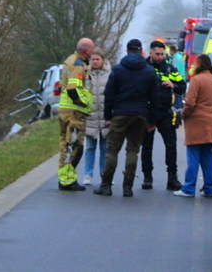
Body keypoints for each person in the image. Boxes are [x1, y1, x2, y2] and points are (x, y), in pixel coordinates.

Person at [94, 39, 158, 198]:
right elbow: (155, 98)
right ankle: (127, 187)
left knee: (113, 149)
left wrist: (108, 116)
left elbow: (109, 94)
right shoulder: (149, 71)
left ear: (128, 51)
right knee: (133, 150)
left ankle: (106, 185)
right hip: (140, 114)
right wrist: (152, 120)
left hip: (120, 113)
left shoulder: (118, 69)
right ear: (141, 51)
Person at [174, 53, 212, 198]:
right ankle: (209, 188)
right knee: (208, 156)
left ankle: (189, 188)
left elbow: (190, 102)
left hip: (196, 120)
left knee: (193, 155)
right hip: (211, 120)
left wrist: (184, 114)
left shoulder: (196, 80)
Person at [141, 40, 186, 191]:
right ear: (150, 53)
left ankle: (172, 178)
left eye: (162, 54)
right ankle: (147, 177)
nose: (160, 57)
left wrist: (173, 85)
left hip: (165, 112)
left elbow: (182, 86)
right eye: (157, 54)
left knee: (171, 146)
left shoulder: (169, 68)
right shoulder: (144, 68)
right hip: (147, 112)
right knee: (147, 147)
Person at [57, 37, 94, 191]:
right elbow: (73, 89)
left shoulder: (70, 60)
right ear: (86, 50)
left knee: (66, 143)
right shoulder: (78, 65)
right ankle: (66, 180)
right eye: (92, 49)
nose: (93, 52)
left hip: (65, 110)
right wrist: (84, 104)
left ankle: (66, 178)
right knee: (74, 145)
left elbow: (62, 85)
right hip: (73, 112)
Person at [82, 49, 111, 186]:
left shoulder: (110, 75)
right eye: (92, 59)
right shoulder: (85, 74)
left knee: (105, 148)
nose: (94, 62)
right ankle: (88, 174)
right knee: (90, 147)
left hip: (105, 115)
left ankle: (104, 174)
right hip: (90, 115)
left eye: (97, 59)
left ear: (103, 60)